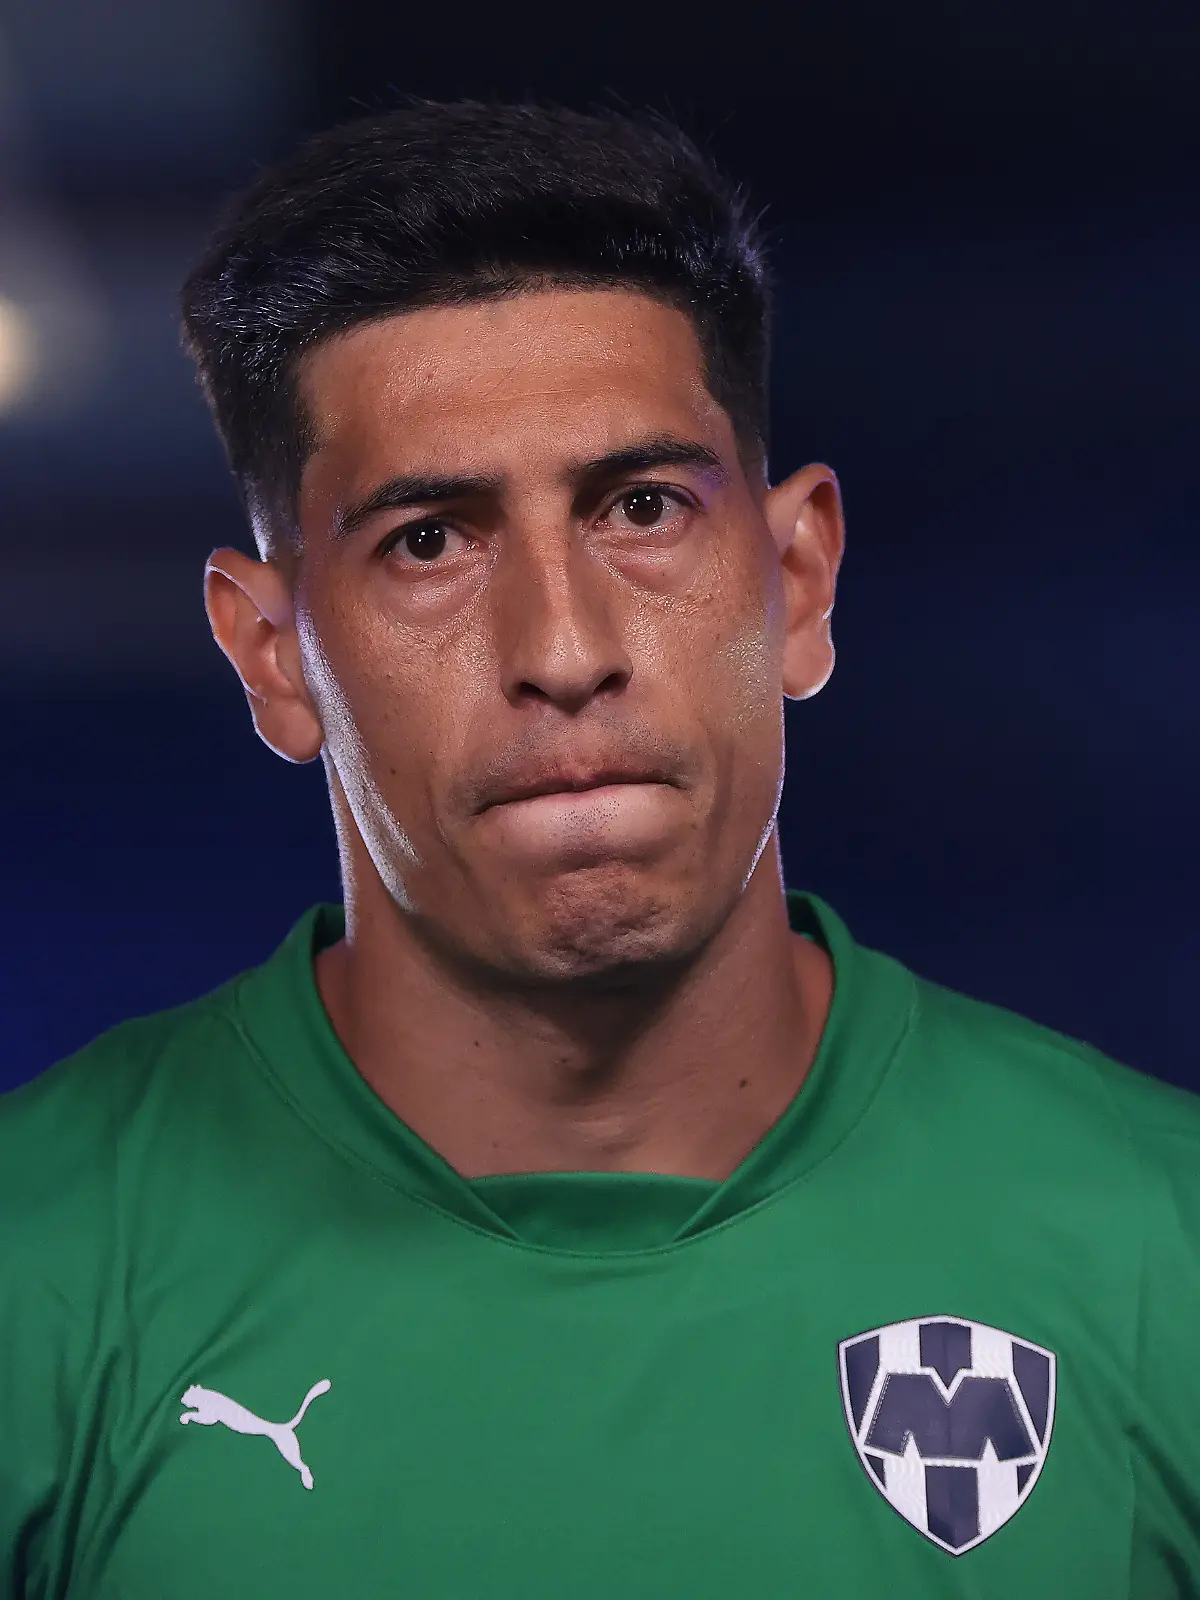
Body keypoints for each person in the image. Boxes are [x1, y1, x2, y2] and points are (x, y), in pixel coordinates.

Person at [1, 99, 1197, 1600]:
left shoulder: (1165, 1251)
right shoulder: (32, 1274)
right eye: (429, 540)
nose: (563, 650)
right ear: (273, 656)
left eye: (641, 509)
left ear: (802, 576)